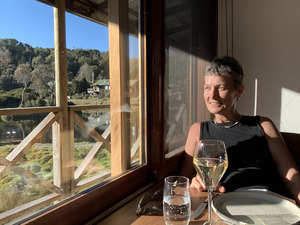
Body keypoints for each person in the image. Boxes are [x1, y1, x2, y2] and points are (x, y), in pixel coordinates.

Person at [180, 56, 300, 204]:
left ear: (239, 91)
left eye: (221, 88)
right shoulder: (198, 130)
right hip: (226, 206)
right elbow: (183, 183)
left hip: (269, 202)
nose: (212, 95)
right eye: (207, 88)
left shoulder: (262, 125)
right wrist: (195, 185)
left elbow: (291, 176)